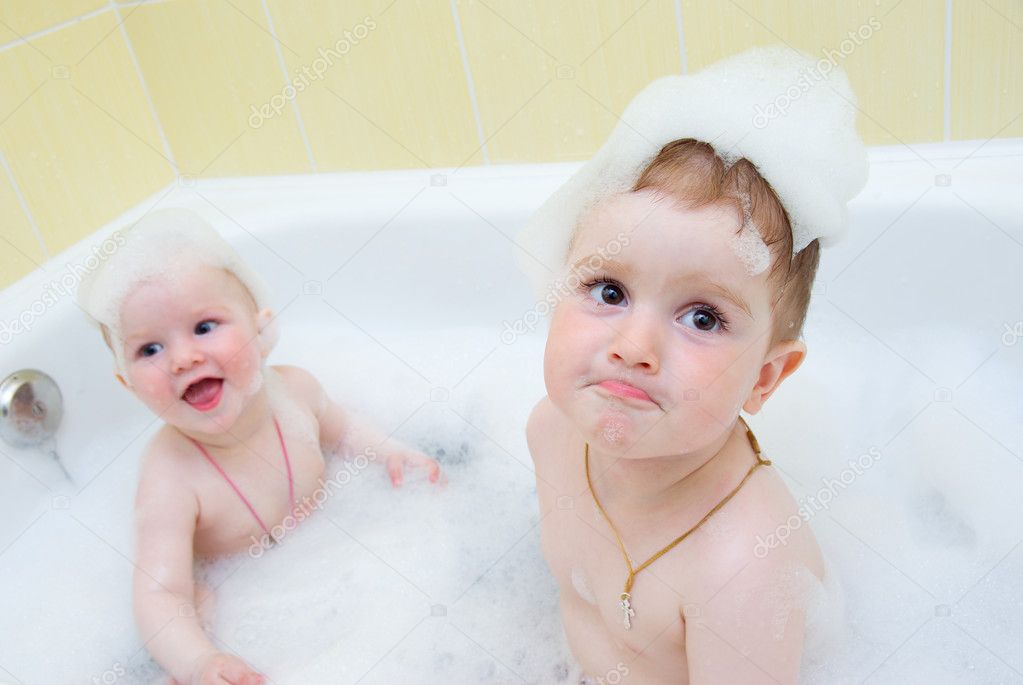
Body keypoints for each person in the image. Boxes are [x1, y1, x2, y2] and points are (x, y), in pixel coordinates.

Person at [520, 47, 867, 684]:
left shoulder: (744, 568)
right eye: (608, 290)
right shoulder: (551, 432)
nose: (634, 346)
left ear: (765, 378)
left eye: (702, 317)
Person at [76, 208, 441, 684]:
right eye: (150, 349)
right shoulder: (170, 476)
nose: (184, 358)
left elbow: (343, 429)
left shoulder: (295, 390)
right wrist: (198, 661)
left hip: (344, 560)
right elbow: (161, 593)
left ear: (263, 331)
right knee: (196, 616)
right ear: (128, 386)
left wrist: (389, 450)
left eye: (205, 326)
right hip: (238, 603)